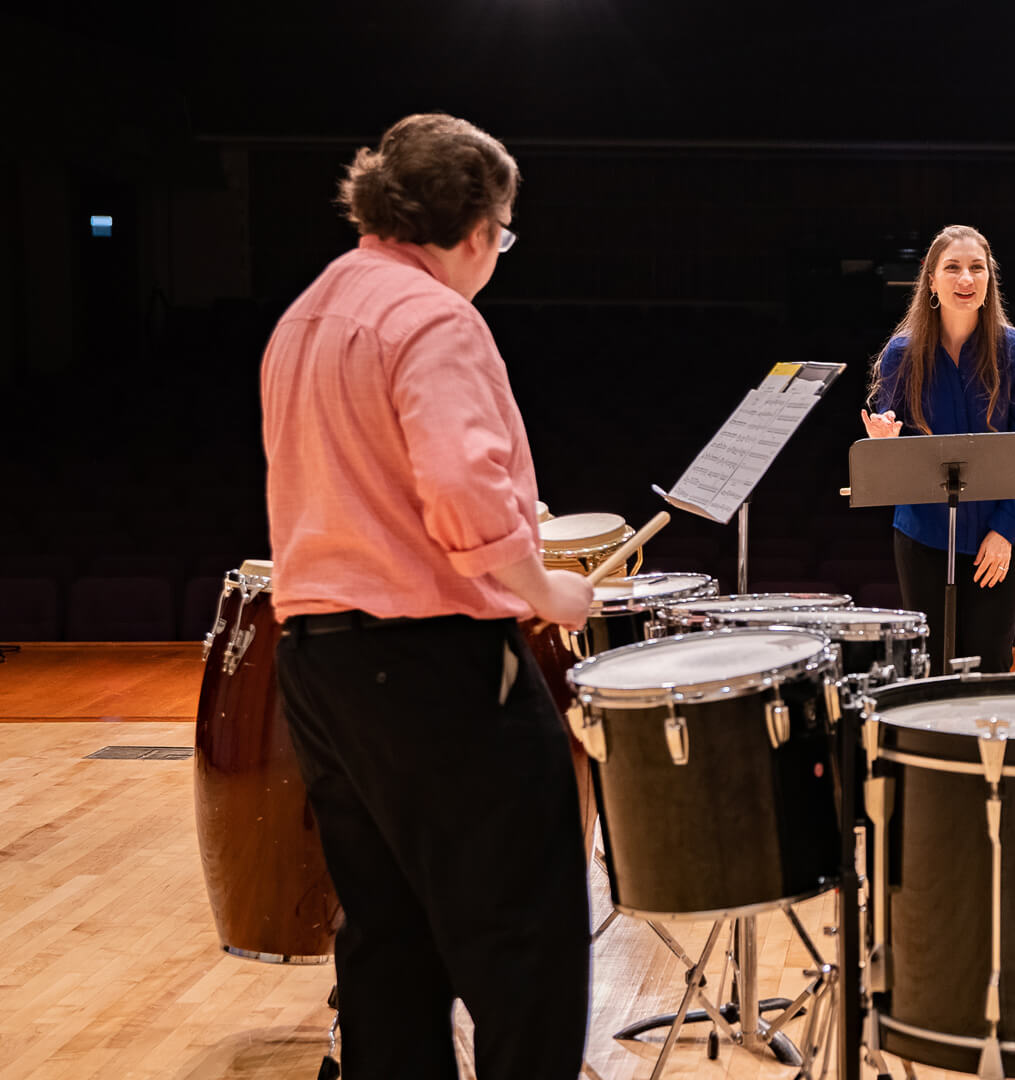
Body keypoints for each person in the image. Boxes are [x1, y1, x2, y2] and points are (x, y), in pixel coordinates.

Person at [260, 113, 594, 1079]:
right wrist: (544, 589)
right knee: (522, 937)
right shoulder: (435, 316)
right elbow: (459, 494)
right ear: (480, 228)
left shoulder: (310, 309)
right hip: (431, 665)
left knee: (389, 936)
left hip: (319, 662)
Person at [862, 224, 1015, 673]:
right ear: (931, 280)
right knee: (930, 666)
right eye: (953, 268)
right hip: (922, 534)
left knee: (990, 663)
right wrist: (884, 441)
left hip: (997, 537)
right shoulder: (900, 354)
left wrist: (1005, 529)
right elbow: (890, 436)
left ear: (989, 279)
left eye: (976, 268)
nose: (966, 279)